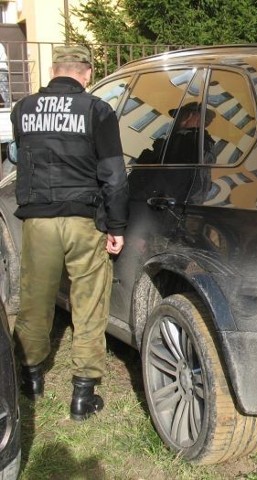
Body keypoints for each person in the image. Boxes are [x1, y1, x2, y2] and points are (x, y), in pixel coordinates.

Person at [11, 45, 129, 421]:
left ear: (53, 69)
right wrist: (117, 226)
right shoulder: (97, 110)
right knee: (89, 302)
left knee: (35, 298)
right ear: (88, 73)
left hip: (38, 222)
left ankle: (31, 378)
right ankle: (83, 393)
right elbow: (113, 174)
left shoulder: (23, 109)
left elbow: (22, 155)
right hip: (83, 219)